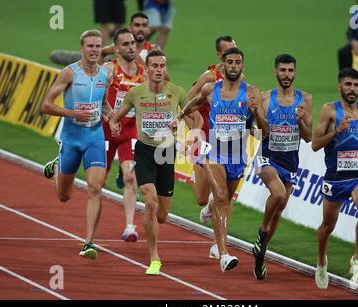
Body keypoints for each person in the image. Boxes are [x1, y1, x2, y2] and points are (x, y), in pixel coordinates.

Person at [109, 50, 202, 275]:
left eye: (163, 66)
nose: (159, 70)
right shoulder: (136, 93)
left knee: (161, 215)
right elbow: (117, 116)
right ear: (147, 69)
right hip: (144, 152)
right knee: (150, 203)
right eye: (155, 66)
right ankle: (154, 258)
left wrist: (191, 133)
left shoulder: (177, 93)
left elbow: (195, 118)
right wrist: (114, 124)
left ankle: (152, 223)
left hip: (166, 153)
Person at [173, 47, 263, 272]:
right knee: (222, 197)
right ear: (222, 65)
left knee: (223, 199)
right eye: (230, 62)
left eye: (238, 62)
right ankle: (223, 253)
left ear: (243, 65)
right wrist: (180, 116)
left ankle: (210, 209)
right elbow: (194, 103)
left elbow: (260, 128)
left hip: (237, 155)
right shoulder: (210, 89)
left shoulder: (251, 92)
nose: (233, 66)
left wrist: (256, 114)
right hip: (213, 152)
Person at [42, 30, 114, 259]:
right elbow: (46, 105)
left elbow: (104, 104)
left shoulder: (105, 75)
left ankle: (89, 243)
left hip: (94, 137)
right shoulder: (69, 73)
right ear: (82, 48)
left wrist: (112, 118)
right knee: (64, 195)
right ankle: (58, 166)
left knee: (95, 187)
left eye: (98, 46)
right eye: (90, 46)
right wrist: (72, 113)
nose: (94, 50)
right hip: (72, 138)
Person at [311, 67, 358, 289]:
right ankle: (321, 260)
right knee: (328, 226)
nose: (352, 89)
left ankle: (357, 260)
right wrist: (337, 131)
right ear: (339, 86)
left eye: (356, 85)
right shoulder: (330, 111)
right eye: (348, 84)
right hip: (335, 178)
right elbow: (315, 145)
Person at [252, 54, 313, 280]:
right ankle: (262, 234)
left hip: (290, 162)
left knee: (279, 209)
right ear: (275, 72)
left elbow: (309, 138)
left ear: (295, 73)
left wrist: (299, 122)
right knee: (277, 195)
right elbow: (257, 131)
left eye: (290, 70)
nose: (286, 74)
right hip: (266, 157)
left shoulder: (305, 100)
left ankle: (261, 253)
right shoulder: (266, 98)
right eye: (282, 70)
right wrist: (258, 115)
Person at [187, 36, 237, 261]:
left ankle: (220, 244)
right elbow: (187, 103)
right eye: (228, 53)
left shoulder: (238, 79)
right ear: (219, 56)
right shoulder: (209, 78)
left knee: (226, 194)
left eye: (235, 50)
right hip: (206, 140)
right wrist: (195, 129)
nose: (232, 57)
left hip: (229, 143)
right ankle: (208, 206)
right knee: (201, 197)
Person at [100, 12, 159, 189]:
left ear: (148, 29)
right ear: (131, 28)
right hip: (107, 126)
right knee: (99, 180)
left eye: (144, 25)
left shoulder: (153, 51)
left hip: (131, 127)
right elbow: (100, 54)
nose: (140, 29)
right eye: (137, 25)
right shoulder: (116, 49)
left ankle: (125, 170)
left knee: (130, 177)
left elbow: (164, 80)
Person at [102, 28, 146, 242]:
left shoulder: (143, 73)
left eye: (133, 43)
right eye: (126, 44)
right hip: (105, 133)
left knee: (130, 176)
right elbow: (97, 99)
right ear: (117, 48)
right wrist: (110, 117)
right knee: (99, 181)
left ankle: (130, 226)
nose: (131, 47)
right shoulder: (109, 69)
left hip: (130, 131)